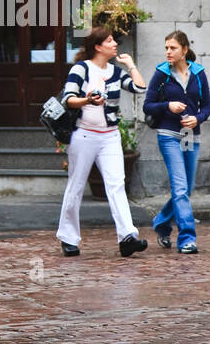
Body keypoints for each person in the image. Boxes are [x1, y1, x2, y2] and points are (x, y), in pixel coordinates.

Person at [56, 26, 149, 257]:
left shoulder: (116, 72)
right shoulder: (81, 68)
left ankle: (127, 237)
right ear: (98, 47)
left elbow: (139, 87)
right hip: (84, 134)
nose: (115, 44)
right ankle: (68, 238)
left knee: (117, 185)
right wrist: (87, 100)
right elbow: (68, 99)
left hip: (110, 136)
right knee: (76, 186)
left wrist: (131, 65)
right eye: (109, 41)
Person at [142, 30, 210, 254]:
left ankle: (161, 224)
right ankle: (187, 238)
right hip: (169, 135)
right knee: (180, 187)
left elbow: (207, 106)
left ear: (184, 50)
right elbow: (148, 105)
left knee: (186, 189)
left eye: (172, 48)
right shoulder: (161, 74)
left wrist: (198, 118)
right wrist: (167, 106)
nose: (168, 52)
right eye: (166, 48)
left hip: (191, 136)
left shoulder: (199, 73)